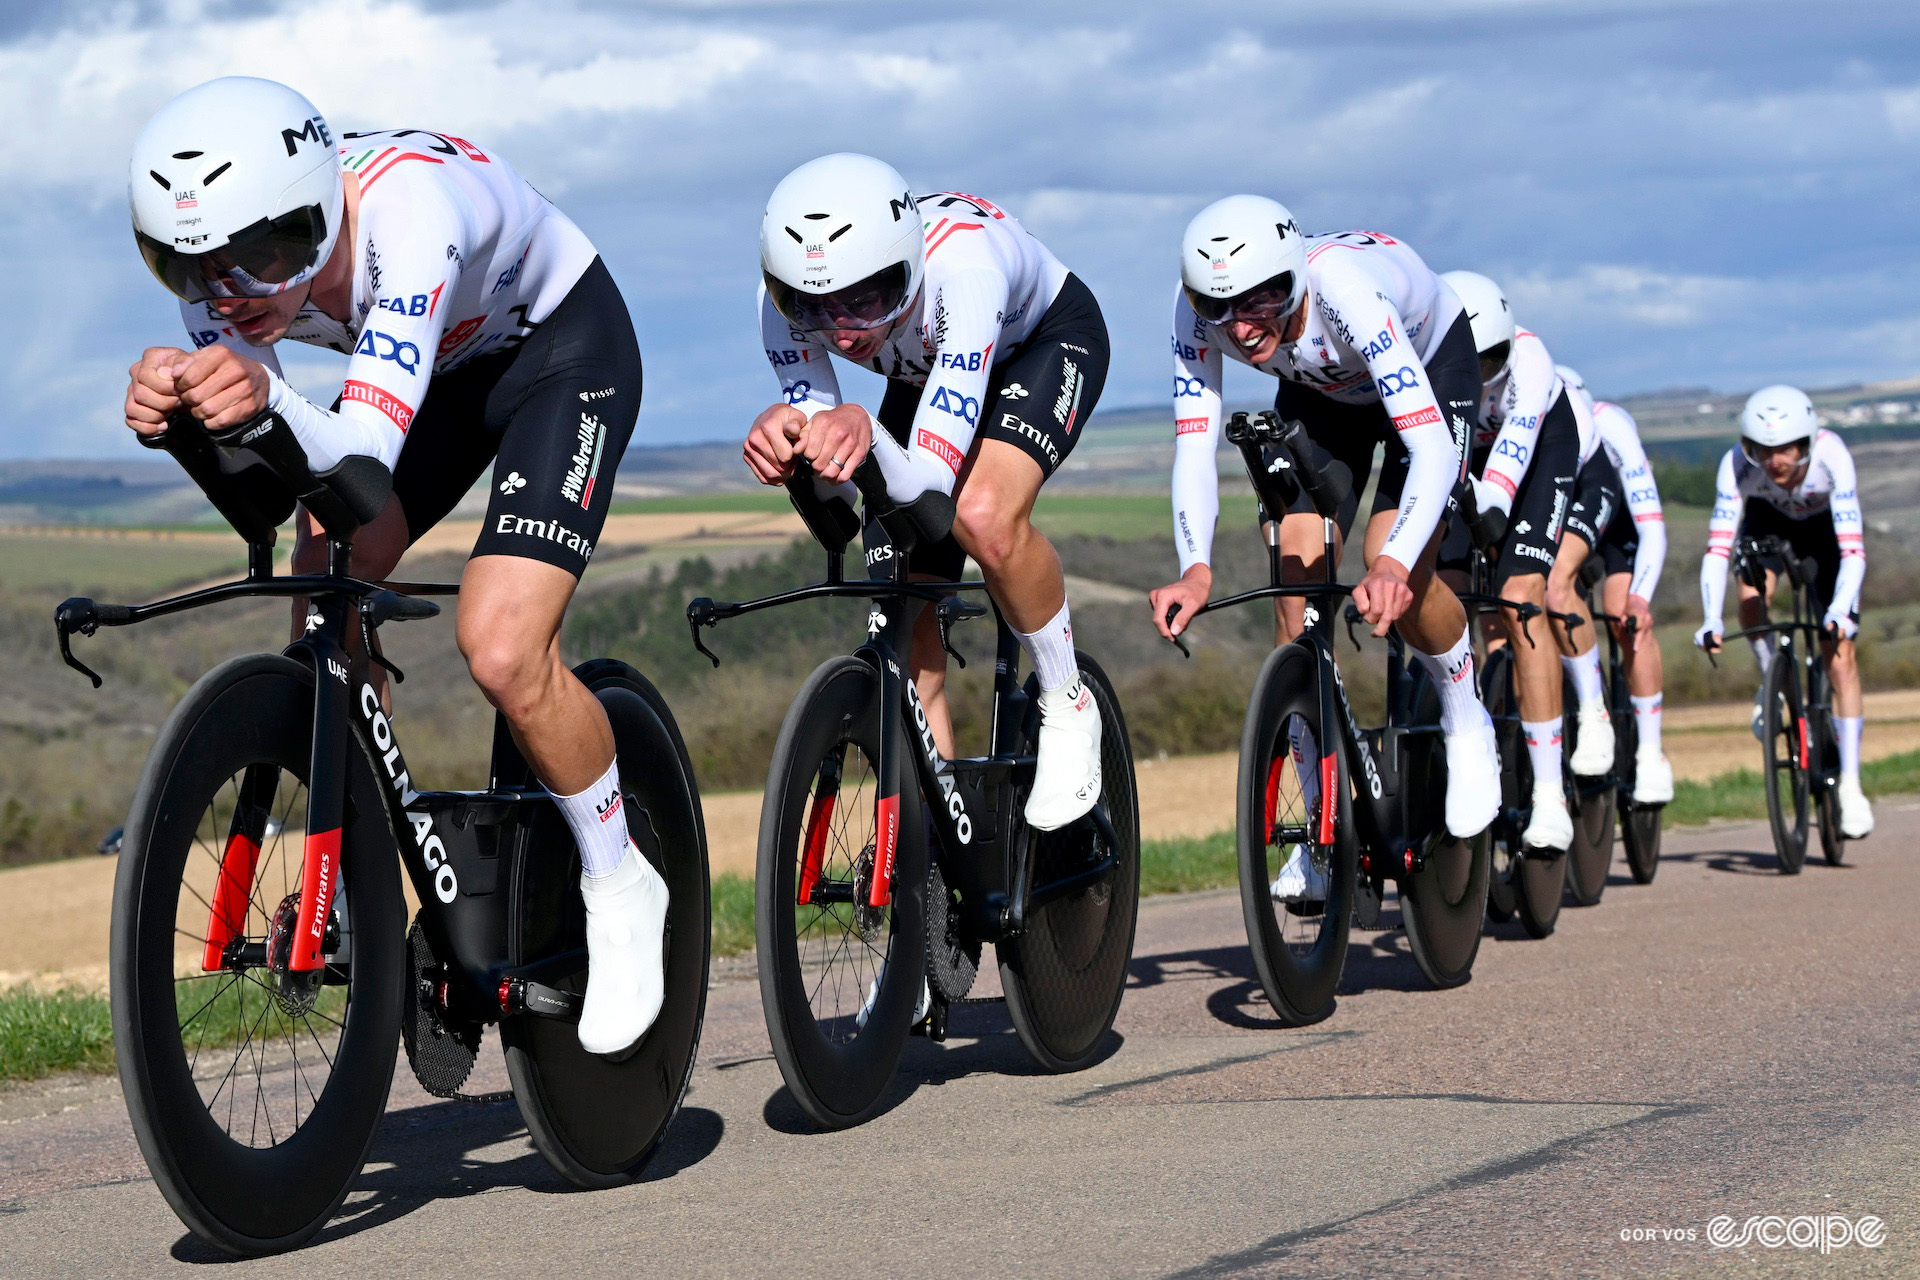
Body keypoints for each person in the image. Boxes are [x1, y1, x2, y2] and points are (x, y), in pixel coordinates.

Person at [122, 77, 665, 1056]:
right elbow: (274, 487)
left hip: (561, 353)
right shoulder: (222, 279)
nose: (227, 295)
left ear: (321, 212)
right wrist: (189, 422)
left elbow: (363, 461)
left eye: (260, 260)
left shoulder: (411, 215)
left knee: (501, 646)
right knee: (322, 567)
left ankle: (621, 876)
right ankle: (355, 858)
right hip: (445, 376)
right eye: (187, 268)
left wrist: (256, 395)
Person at [1150, 196, 1501, 903]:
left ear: (1296, 278)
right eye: (1219, 307)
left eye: (1265, 300)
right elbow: (1195, 449)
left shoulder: (1345, 292)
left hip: (1428, 376)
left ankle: (1467, 716)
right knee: (1294, 587)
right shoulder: (1197, 320)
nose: (1243, 327)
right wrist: (1195, 567)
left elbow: (1429, 447)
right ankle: (1319, 831)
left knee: (1385, 551)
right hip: (1323, 399)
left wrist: (1397, 565)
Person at [743, 154, 1109, 831]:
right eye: (816, 307)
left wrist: (863, 431)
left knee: (982, 518)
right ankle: (937, 849)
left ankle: (1065, 697)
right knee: (904, 605)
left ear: (906, 266)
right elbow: (836, 498)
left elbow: (935, 491)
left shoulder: (964, 273)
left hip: (1038, 345)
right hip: (927, 378)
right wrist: (792, 448)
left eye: (867, 297)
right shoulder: (780, 301)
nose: (845, 328)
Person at [1435, 270, 1586, 851]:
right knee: (1437, 592)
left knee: (1521, 599)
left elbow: (1509, 464)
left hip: (1537, 455)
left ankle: (1550, 795)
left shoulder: (1530, 360)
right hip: (1465, 460)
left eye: (1487, 360)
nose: (1473, 376)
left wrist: (1487, 520)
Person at [1696, 386, 1872, 837]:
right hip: (1767, 524)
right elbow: (1718, 549)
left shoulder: (1833, 456)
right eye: (1764, 450)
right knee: (1751, 601)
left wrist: (1839, 613)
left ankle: (1850, 785)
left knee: (1841, 653)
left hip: (1824, 533)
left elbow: (1853, 551)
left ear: (1807, 443)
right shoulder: (1737, 467)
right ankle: (1773, 680)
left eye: (1788, 449)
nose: (1775, 461)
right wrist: (1711, 617)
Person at [1550, 368, 1674, 803]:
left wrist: (1640, 599)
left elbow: (1652, 528)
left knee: (1625, 619)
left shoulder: (1612, 425)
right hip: (1559, 518)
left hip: (1616, 522)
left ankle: (1651, 752)